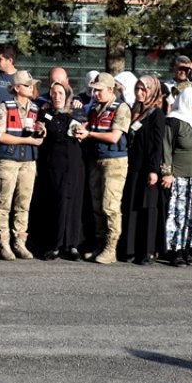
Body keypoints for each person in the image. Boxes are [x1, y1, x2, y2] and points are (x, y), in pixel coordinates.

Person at [0, 70, 43, 261]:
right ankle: (3, 241)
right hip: (9, 160)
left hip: (29, 161)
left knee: (24, 203)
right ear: (17, 88)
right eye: (28, 84)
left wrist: (41, 132)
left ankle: (20, 241)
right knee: (3, 203)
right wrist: (28, 141)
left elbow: (38, 137)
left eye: (32, 85)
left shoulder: (36, 109)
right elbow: (0, 135)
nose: (32, 87)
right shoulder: (5, 107)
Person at [81, 73, 131, 264]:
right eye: (94, 90)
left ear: (111, 90)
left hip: (114, 161)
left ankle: (111, 248)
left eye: (99, 90)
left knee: (110, 205)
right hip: (96, 159)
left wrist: (89, 134)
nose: (95, 94)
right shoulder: (94, 108)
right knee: (96, 205)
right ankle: (100, 244)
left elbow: (114, 137)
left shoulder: (121, 108)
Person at [36, 80, 86, 260]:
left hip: (72, 163)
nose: (57, 97)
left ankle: (71, 244)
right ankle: (54, 244)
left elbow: (82, 130)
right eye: (54, 93)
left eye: (61, 93)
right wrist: (40, 129)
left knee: (72, 202)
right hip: (52, 164)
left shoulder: (77, 111)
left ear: (67, 95)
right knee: (55, 202)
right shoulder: (45, 112)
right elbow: (39, 130)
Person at [120, 75, 166, 265]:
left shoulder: (156, 114)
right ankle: (129, 248)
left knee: (147, 207)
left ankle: (146, 251)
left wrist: (154, 169)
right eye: (137, 89)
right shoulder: (134, 110)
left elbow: (157, 144)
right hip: (133, 165)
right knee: (131, 204)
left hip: (148, 167)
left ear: (152, 91)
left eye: (143, 90)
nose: (139, 93)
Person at [162, 87, 192, 266]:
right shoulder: (174, 121)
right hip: (179, 177)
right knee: (178, 215)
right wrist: (167, 172)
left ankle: (190, 248)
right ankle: (176, 250)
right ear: (188, 103)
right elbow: (166, 148)